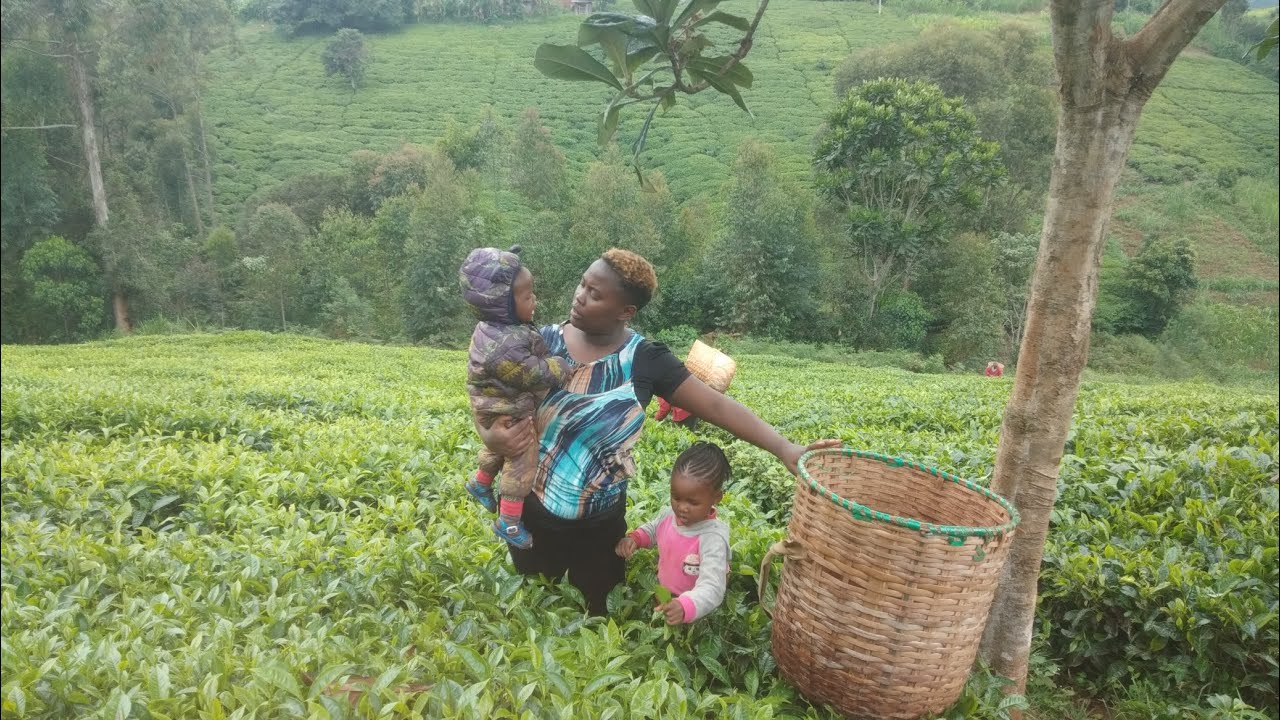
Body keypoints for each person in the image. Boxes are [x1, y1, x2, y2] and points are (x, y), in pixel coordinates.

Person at [472, 247, 840, 615]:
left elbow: (714, 405)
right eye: (582, 285)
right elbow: (487, 395)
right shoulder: (537, 342)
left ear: (625, 312)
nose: (580, 297)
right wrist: (489, 437)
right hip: (531, 516)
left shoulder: (645, 359)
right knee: (538, 609)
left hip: (600, 527)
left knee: (600, 614)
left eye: (595, 294)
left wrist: (783, 447)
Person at [460, 245, 570, 549]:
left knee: (501, 447)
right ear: (503, 305)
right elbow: (531, 373)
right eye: (527, 296)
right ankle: (508, 522)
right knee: (521, 459)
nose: (534, 300)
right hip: (505, 406)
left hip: (491, 406)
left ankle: (480, 482)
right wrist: (558, 367)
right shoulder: (507, 342)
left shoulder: (492, 329)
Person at [615, 441, 732, 624]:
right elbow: (654, 529)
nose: (682, 508)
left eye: (693, 502)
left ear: (716, 498)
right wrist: (635, 539)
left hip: (696, 609)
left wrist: (685, 606)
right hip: (666, 594)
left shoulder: (712, 538)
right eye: (676, 497)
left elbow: (713, 587)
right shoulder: (669, 516)